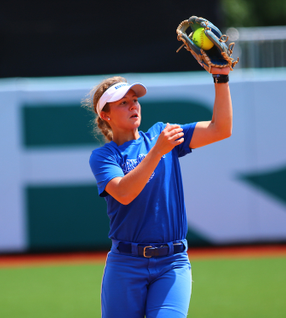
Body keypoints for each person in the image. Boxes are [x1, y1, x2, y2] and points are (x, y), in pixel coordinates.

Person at [84, 66, 232, 318]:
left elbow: (221, 129)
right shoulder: (104, 156)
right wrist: (157, 151)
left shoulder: (161, 134)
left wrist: (221, 78)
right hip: (126, 263)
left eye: (134, 100)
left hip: (171, 262)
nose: (133, 106)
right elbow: (124, 193)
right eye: (123, 103)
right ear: (106, 116)